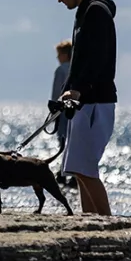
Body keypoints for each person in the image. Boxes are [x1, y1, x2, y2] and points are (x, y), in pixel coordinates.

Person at [53, 0, 117, 216]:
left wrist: (80, 89)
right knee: (78, 169)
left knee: (86, 168)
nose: (59, 0)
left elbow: (98, 58)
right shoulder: (83, 13)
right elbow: (79, 62)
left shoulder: (96, 11)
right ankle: (90, 220)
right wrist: (66, 91)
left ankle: (106, 222)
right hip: (82, 102)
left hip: (96, 101)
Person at [51, 39, 76, 189]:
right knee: (72, 141)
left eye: (59, 54)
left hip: (63, 110)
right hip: (75, 110)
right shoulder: (75, 68)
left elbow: (56, 92)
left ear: (65, 55)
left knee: (63, 141)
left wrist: (54, 109)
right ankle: (72, 173)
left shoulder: (61, 70)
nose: (57, 57)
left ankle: (63, 171)